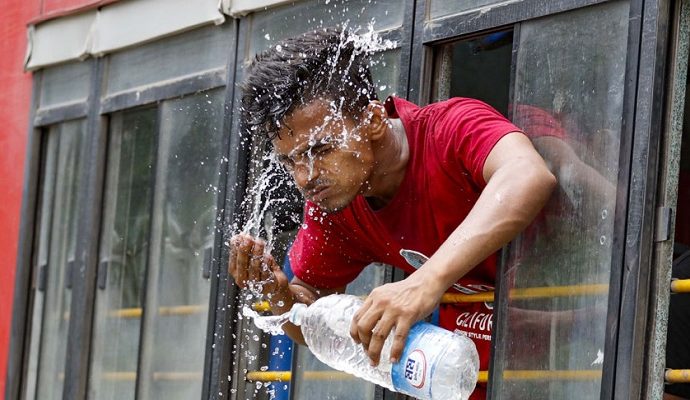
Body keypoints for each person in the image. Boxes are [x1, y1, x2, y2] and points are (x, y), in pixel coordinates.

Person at [229, 27, 556, 399]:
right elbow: (312, 310)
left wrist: (425, 281)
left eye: (320, 151)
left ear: (371, 120)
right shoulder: (335, 205)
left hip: (590, 330)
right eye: (291, 162)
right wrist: (279, 297)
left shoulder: (451, 126)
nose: (305, 177)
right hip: (476, 360)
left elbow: (527, 174)